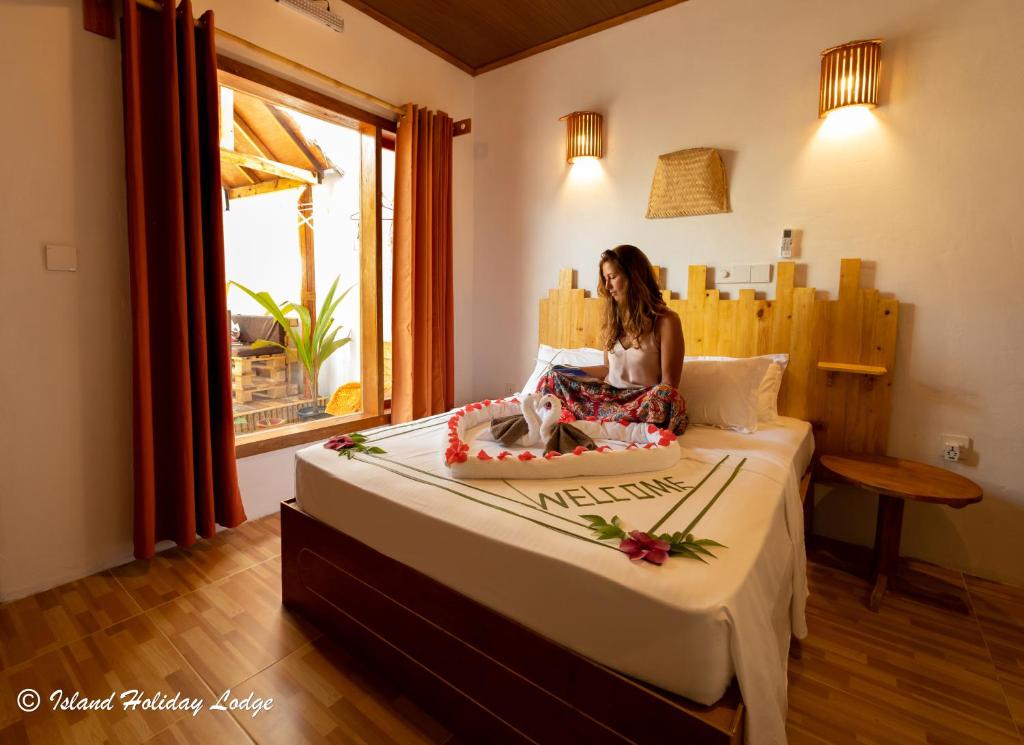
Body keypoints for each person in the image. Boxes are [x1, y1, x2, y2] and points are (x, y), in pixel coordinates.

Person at [536, 245, 688, 435]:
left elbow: (669, 384)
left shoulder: (666, 321)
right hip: (609, 398)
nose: (607, 287)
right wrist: (571, 370)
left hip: (642, 400)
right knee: (554, 375)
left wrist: (647, 400)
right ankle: (605, 418)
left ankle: (608, 420)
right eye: (605, 279)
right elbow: (608, 369)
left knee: (666, 395)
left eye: (612, 277)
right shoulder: (614, 321)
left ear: (634, 276)